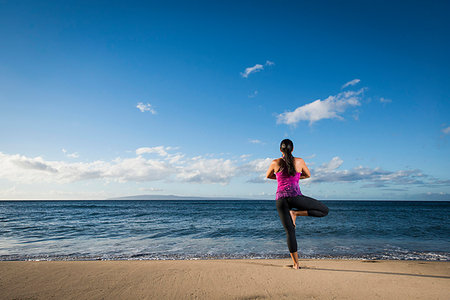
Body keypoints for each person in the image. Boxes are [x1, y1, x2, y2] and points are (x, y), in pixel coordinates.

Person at [266, 139, 329, 269]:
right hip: (296, 197)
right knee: (324, 210)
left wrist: (279, 177)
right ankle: (296, 213)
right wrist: (295, 176)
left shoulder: (275, 162)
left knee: (290, 232)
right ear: (293, 149)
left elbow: (269, 176)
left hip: (281, 200)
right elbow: (308, 175)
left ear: (280, 150)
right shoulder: (299, 161)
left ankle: (296, 264)